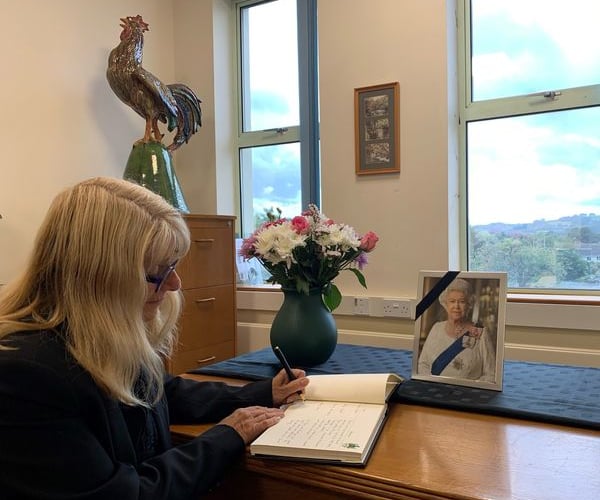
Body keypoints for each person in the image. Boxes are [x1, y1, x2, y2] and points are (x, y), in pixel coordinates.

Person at [0, 177, 308, 500]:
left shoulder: (94, 335)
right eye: (159, 270)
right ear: (101, 276)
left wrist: (262, 393)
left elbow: (162, 392)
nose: (175, 283)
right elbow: (130, 495)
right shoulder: (26, 376)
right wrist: (228, 434)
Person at [417, 278, 495, 382]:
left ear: (469, 305)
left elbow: (491, 374)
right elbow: (423, 364)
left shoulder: (481, 333)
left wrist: (469, 389)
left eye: (462, 301)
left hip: (467, 395)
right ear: (446, 304)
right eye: (452, 301)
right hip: (435, 390)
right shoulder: (436, 328)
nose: (456, 306)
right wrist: (432, 384)